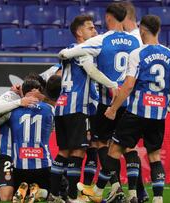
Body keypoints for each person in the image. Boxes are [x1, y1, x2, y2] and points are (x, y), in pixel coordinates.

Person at [85, 15, 170, 203]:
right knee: (154, 156)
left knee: (114, 150)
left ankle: (98, 192)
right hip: (158, 115)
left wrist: (114, 108)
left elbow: (129, 85)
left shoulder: (138, 54)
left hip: (137, 113)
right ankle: (158, 199)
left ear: (142, 30)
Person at [59, 3, 141, 202]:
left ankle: (113, 187)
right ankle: (136, 192)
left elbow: (66, 53)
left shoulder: (101, 40)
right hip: (130, 103)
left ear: (108, 18)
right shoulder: (136, 41)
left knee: (101, 144)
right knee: (128, 147)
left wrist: (67, 54)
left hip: (108, 103)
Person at [49, 15, 119, 203]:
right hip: (76, 107)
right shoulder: (82, 52)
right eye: (90, 28)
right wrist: (112, 84)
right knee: (78, 152)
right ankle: (72, 196)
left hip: (62, 107)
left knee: (64, 152)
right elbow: (91, 71)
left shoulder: (70, 51)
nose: (95, 31)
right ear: (79, 32)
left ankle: (54, 195)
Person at [0, 75, 62, 203]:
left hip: (19, 163)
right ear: (36, 90)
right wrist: (18, 101)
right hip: (14, 155)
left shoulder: (14, 109)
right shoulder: (49, 108)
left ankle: (29, 191)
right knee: (59, 189)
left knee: (11, 192)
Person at [120, 1, 149, 202]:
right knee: (126, 146)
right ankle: (140, 191)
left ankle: (128, 192)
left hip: (125, 98)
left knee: (113, 146)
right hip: (139, 102)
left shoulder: (129, 41)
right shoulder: (142, 39)